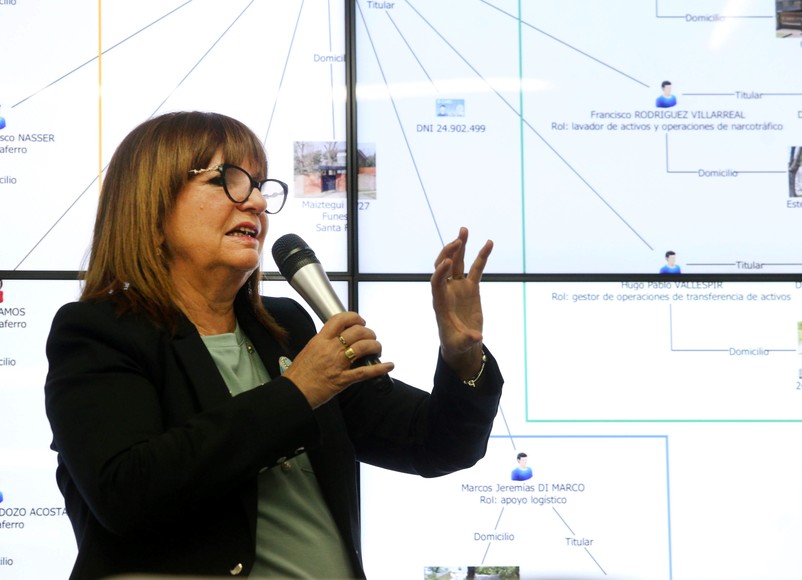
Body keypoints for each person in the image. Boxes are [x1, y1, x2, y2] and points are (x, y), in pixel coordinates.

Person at [44, 111, 503, 579]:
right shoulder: (98, 332)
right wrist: (298, 392)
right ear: (153, 206)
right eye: (228, 181)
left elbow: (436, 444)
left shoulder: (287, 328)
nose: (259, 202)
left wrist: (462, 356)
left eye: (260, 185)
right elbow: (126, 493)